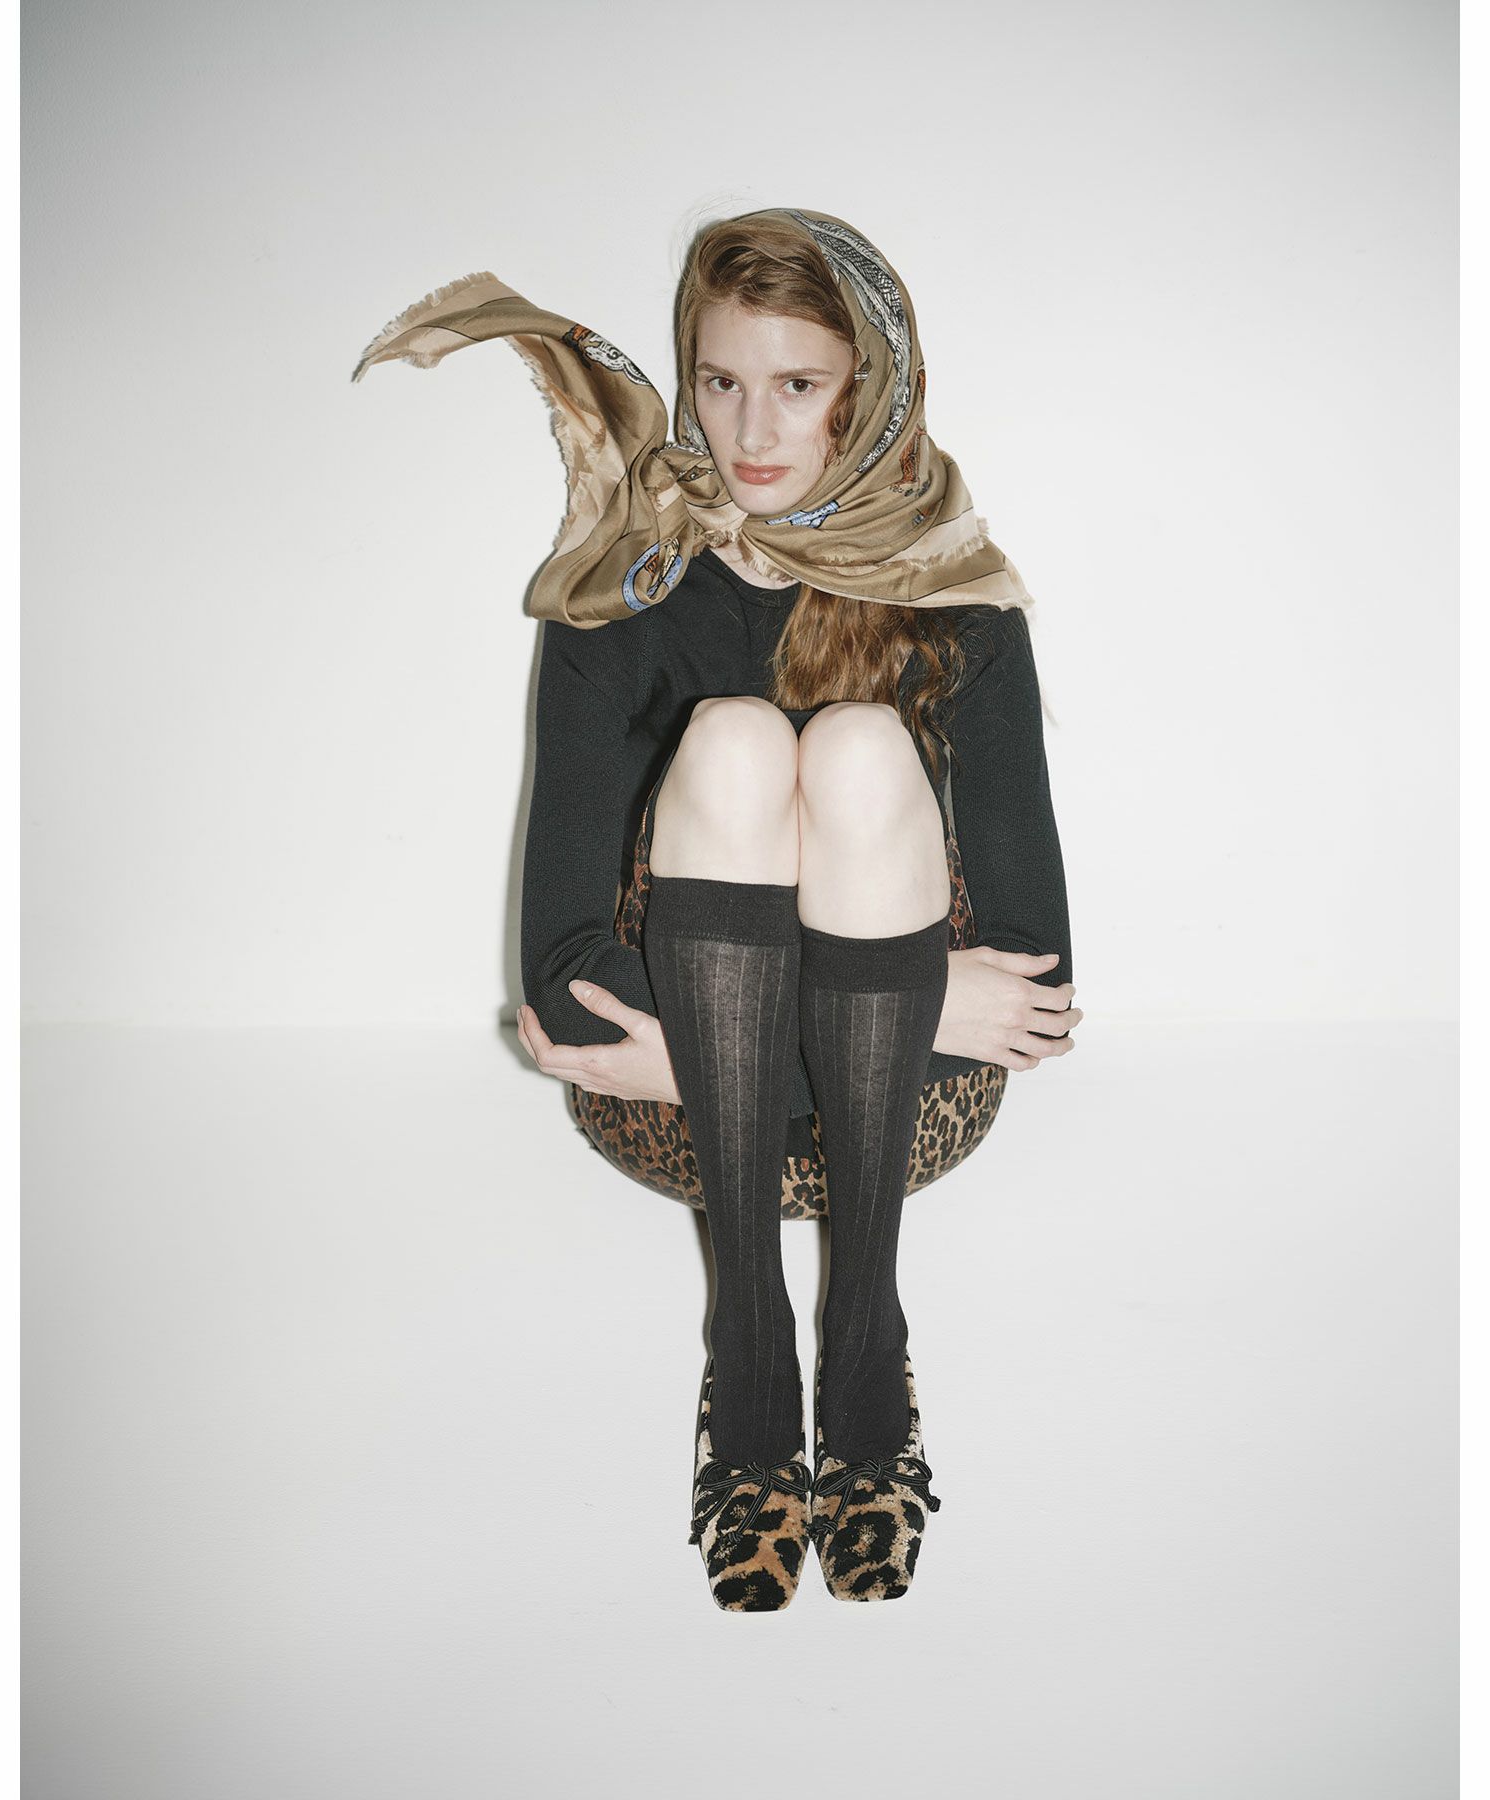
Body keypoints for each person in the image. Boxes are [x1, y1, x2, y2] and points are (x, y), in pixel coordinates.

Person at [351, 206, 1081, 1612]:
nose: (752, 428)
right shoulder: (625, 584)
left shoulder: (956, 597)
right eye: (721, 380)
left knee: (859, 747)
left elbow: (1038, 991)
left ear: (871, 390)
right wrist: (903, 1001)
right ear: (684, 374)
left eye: (798, 384)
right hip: (686, 1104)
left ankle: (864, 1339)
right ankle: (748, 1349)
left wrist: (741, 1036)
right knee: (737, 740)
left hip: (862, 1099)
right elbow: (564, 994)